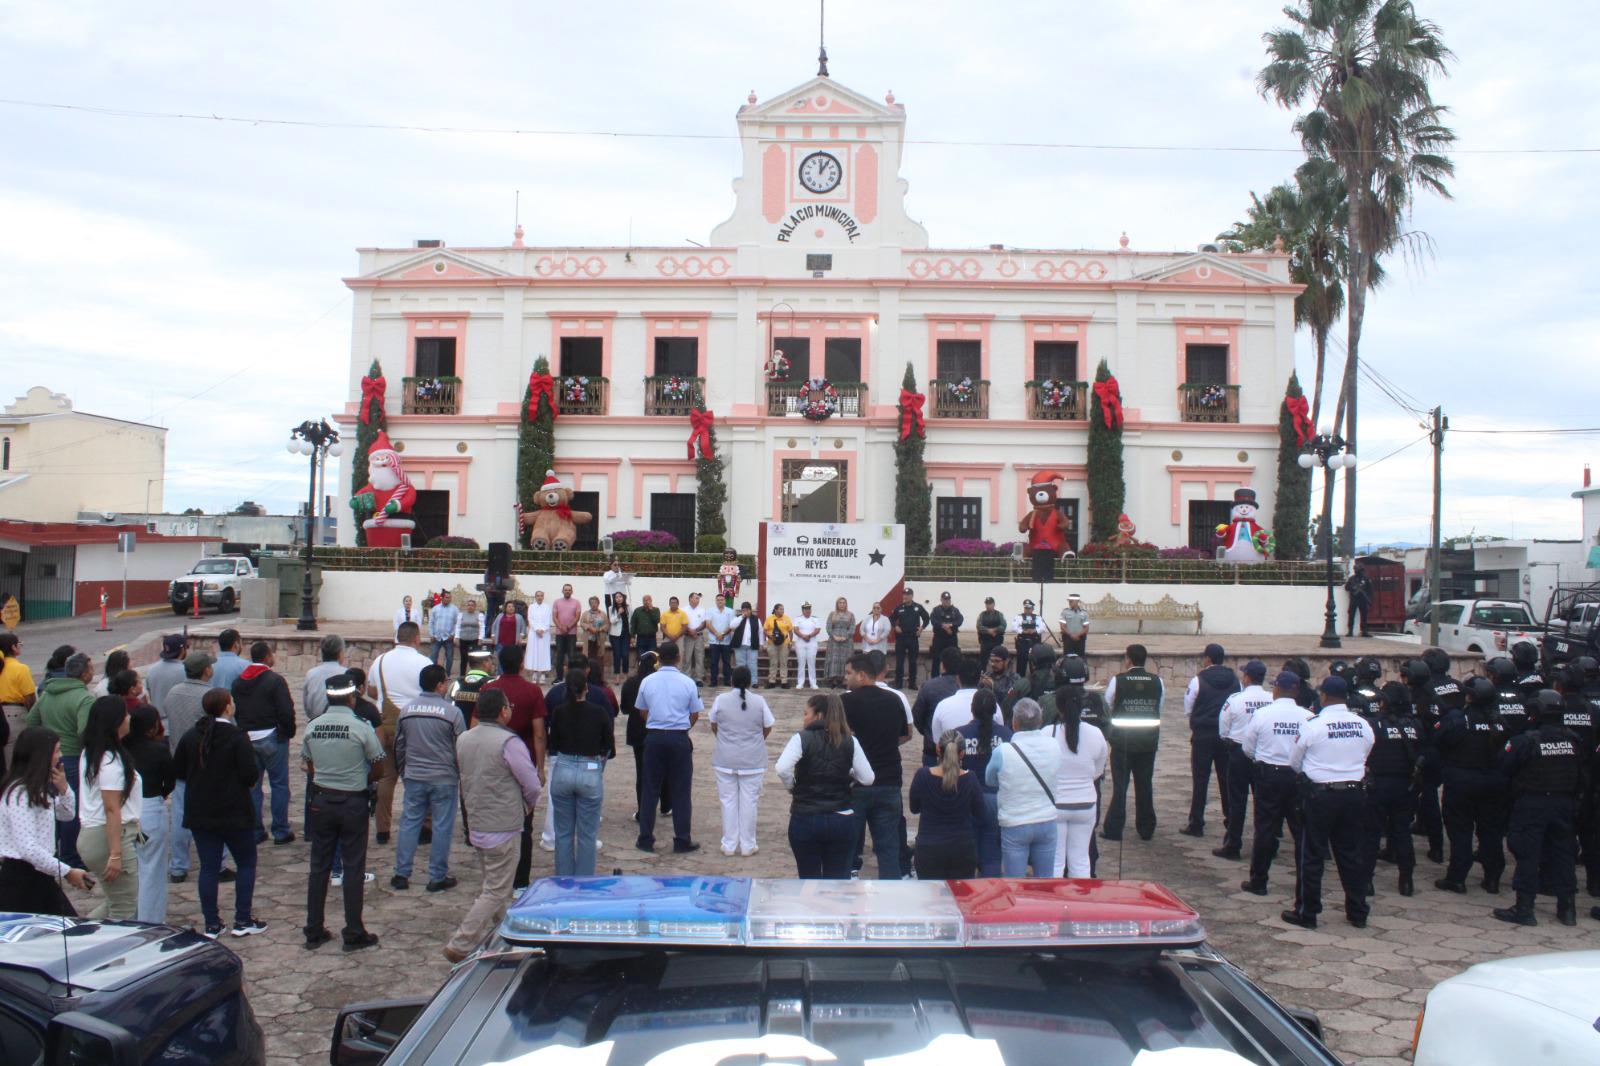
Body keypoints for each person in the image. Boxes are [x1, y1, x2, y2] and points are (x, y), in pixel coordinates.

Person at [445, 689, 543, 963]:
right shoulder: (508, 742)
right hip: (503, 823)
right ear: (503, 711)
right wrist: (526, 807)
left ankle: (507, 936)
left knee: (495, 883)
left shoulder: (465, 738)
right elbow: (532, 784)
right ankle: (461, 942)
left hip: (477, 819)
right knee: (496, 890)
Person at [1281, 677, 1375, 929]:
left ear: (1323, 696)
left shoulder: (1314, 724)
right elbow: (1366, 752)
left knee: (1312, 855)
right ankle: (1358, 911)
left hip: (1321, 795)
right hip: (1353, 793)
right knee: (1351, 855)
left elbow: (1295, 761)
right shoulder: (1362, 724)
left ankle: (1308, 912)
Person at [300, 673, 383, 951]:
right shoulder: (361, 727)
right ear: (351, 697)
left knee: (319, 866)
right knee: (353, 866)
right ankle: (353, 931)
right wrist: (357, 778)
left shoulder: (313, 726)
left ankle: (313, 929)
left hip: (321, 799)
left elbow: (309, 764)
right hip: (353, 801)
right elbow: (378, 766)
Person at [1494, 690, 1581, 927]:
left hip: (1533, 803)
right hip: (1564, 803)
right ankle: (1568, 909)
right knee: (1564, 855)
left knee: (1528, 855)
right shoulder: (1573, 739)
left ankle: (1524, 908)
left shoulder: (1526, 741)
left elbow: (1504, 766)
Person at [776, 692, 874, 878]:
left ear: (819, 715)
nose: (804, 718)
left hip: (806, 816)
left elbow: (782, 768)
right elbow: (868, 778)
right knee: (837, 881)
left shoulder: (802, 738)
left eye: (806, 713)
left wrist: (793, 787)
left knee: (808, 878)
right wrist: (849, 774)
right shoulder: (849, 740)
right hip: (841, 817)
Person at [0, 727, 91, 915]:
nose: (60, 756)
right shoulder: (20, 794)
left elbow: (66, 814)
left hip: (40, 874)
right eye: (57, 751)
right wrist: (66, 871)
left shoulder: (38, 789)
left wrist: (64, 789)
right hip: (22, 879)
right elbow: (28, 848)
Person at [1239, 671, 1314, 896]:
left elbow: (1247, 747)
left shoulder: (1262, 714)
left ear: (1277, 690)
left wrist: (1262, 759)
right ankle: (1304, 884)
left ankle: (1259, 880)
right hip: (1296, 777)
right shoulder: (1308, 716)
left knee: (1265, 828)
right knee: (1300, 831)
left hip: (1269, 775)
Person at [391, 664, 464, 893]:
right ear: (440, 685)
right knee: (442, 826)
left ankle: (401, 873)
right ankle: (437, 876)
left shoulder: (407, 711)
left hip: (415, 775)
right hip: (444, 777)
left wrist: (404, 772)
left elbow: (399, 746)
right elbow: (461, 748)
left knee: (409, 823)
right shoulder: (452, 713)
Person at [480, 645, 547, 889]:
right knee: (524, 824)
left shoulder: (488, 689)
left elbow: (476, 725)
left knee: (492, 817)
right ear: (521, 664)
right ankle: (520, 882)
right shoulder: (532, 690)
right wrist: (540, 767)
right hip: (523, 761)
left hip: (492, 761)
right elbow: (539, 733)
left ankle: (494, 877)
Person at [1434, 676, 1508, 894]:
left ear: (1470, 697)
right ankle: (1493, 878)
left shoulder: (1458, 719)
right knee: (1491, 831)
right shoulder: (1499, 722)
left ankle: (1457, 878)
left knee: (1460, 831)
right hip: (1492, 783)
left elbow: (1439, 741)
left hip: (1461, 782)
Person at [841, 652, 912, 879]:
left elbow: (836, 739)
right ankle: (891, 893)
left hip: (856, 783)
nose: (846, 678)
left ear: (862, 675)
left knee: (847, 847)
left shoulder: (846, 702)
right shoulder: (894, 700)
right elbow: (904, 735)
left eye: (849, 673)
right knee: (889, 848)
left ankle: (846, 891)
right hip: (889, 779)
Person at [24, 650, 95, 867]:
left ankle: (51, 852)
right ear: (84, 674)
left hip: (49, 758)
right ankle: (71, 857)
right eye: (91, 668)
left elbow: (31, 721)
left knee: (51, 806)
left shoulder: (48, 693)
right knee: (70, 807)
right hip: (72, 757)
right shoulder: (84, 698)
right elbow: (84, 731)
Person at [76, 696, 143, 920]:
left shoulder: (91, 752)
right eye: (125, 715)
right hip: (109, 836)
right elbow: (111, 808)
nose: (129, 718)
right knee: (124, 908)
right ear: (115, 722)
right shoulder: (110, 761)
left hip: (95, 834)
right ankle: (85, 937)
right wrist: (116, 854)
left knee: (116, 901)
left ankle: (80, 932)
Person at [632, 642, 701, 853]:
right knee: (681, 790)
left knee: (650, 789)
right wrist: (681, 727)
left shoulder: (647, 681)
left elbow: (642, 710)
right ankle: (682, 839)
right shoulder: (688, 683)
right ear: (678, 658)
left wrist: (657, 722)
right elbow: (695, 713)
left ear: (659, 659)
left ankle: (645, 838)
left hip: (654, 736)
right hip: (678, 737)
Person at [547, 666, 615, 876]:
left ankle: (564, 879)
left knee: (563, 833)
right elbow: (609, 746)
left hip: (564, 767)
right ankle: (584, 882)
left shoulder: (559, 712)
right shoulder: (598, 712)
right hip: (589, 767)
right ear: (586, 688)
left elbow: (553, 743)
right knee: (587, 835)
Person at [370, 622, 432, 844]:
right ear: (416, 638)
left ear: (397, 638)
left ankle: (383, 830)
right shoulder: (424, 662)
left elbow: (371, 690)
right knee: (418, 778)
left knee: (386, 778)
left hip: (385, 725)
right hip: (416, 726)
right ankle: (423, 827)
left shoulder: (380, 660)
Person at [985, 699, 1060, 877]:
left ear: (1015, 723)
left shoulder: (1003, 751)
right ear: (1040, 721)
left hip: (1015, 822)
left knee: (1014, 883)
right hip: (1046, 819)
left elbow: (989, 780)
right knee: (1045, 881)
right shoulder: (1054, 745)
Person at [163, 652, 220, 885]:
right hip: (206, 763)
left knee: (179, 815)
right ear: (206, 670)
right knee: (214, 814)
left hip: (180, 759)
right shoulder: (210, 696)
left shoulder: (173, 692)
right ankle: (218, 863)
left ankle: (178, 865)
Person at [232, 642, 296, 846]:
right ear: (267, 656)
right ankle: (280, 830)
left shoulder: (239, 682)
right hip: (271, 736)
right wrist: (287, 732)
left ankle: (255, 830)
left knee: (253, 786)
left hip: (248, 737)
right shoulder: (275, 680)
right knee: (279, 784)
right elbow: (286, 710)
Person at [1101, 644, 1164, 842]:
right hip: (1147, 741)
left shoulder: (1118, 680)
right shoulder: (1157, 681)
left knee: (1120, 786)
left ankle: (1114, 828)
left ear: (1128, 659)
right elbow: (1159, 707)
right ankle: (1146, 828)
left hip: (1122, 741)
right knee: (1144, 784)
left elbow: (1108, 705)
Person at [1363, 681, 1421, 897]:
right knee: (1402, 832)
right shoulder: (1414, 726)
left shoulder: (1375, 725)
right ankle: (1406, 880)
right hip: (1405, 786)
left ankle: (1366, 881)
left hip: (1379, 785)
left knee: (1371, 834)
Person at [708, 665, 773, 856]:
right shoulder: (759, 701)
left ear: (731, 681)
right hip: (752, 759)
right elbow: (768, 725)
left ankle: (729, 844)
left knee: (727, 801)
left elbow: (713, 723)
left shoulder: (721, 699)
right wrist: (756, 740)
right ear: (750, 682)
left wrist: (724, 739)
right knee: (749, 802)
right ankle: (748, 844)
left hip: (725, 758)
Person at [1180, 644, 1241, 838]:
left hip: (1203, 735)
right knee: (1226, 779)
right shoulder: (1235, 680)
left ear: (1207, 658)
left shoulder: (1198, 680)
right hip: (1226, 737)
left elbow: (1188, 707)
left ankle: (1196, 822)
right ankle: (1230, 821)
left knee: (1200, 779)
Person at [1048, 686, 1109, 877]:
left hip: (1056, 805)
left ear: (1058, 708)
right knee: (1081, 860)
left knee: (1055, 861)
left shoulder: (1047, 733)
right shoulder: (1096, 733)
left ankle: (1054, 896)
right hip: (1086, 803)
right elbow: (1098, 770)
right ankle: (1081, 895)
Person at [1214, 659, 1271, 861]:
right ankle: (1266, 846)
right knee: (1263, 804)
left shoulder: (1235, 699)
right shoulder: (1271, 699)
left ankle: (1233, 843)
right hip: (1263, 755)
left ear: (1247, 677)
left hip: (1239, 752)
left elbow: (1223, 728)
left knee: (1236, 801)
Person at [909, 730, 985, 879]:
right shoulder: (970, 779)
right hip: (962, 849)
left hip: (929, 849)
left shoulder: (923, 775)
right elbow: (981, 812)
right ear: (962, 754)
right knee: (960, 894)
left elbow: (914, 808)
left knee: (930, 893)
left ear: (938, 749)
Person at [127, 704, 175, 923]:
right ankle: (151, 921)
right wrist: (160, 795)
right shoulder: (158, 749)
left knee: (135, 865)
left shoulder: (122, 749)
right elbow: (170, 781)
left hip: (127, 811)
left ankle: (134, 915)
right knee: (153, 868)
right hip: (150, 810)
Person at [957, 688, 1012, 876]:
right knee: (992, 856)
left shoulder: (960, 734)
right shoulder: (1006, 735)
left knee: (965, 856)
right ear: (995, 710)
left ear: (972, 709)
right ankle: (991, 891)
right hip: (997, 800)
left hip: (967, 801)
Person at [621, 652, 663, 825]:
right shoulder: (659, 683)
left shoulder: (631, 683)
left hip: (637, 730)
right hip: (657, 729)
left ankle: (643, 809)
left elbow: (624, 708)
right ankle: (664, 804)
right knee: (661, 769)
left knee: (642, 771)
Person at [912, 647, 965, 764]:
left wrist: (928, 732)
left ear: (942, 666)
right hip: (962, 749)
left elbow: (917, 716)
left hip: (933, 748)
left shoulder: (929, 686)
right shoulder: (967, 688)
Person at [931, 656, 1002, 740]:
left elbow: (938, 740)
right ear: (980, 679)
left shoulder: (942, 706)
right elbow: (999, 733)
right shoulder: (993, 705)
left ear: (958, 679)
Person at [0, 632, 38, 772]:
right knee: (12, 759)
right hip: (14, 714)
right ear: (13, 647)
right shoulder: (20, 668)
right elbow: (29, 697)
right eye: (19, 644)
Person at [303, 635, 348, 724]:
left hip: (315, 723)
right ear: (340, 653)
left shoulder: (311, 674)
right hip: (342, 724)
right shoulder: (346, 674)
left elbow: (307, 705)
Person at [890, 588, 929, 690]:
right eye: (904, 594)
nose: (905, 596)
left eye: (907, 595)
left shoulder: (918, 607)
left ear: (912, 596)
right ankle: (898, 683)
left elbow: (926, 618)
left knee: (913, 662)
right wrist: (895, 626)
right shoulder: (899, 608)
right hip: (901, 638)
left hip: (913, 638)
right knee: (899, 662)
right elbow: (891, 619)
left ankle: (912, 683)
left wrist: (922, 628)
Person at [145, 634, 188, 716]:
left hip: (156, 718)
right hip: (176, 719)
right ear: (182, 650)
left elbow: (149, 694)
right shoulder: (185, 671)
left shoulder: (151, 670)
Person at [927, 592, 963, 678]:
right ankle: (935, 679)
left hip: (951, 639)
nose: (946, 601)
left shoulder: (955, 610)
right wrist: (943, 626)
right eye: (945, 599)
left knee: (952, 660)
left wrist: (951, 625)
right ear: (941, 600)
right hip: (939, 639)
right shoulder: (936, 610)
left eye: (948, 599)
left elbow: (960, 620)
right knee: (936, 660)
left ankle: (952, 679)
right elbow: (933, 621)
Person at [705, 593, 737, 688]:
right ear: (716, 601)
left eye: (722, 600)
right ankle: (713, 681)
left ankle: (727, 681)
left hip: (726, 640)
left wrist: (722, 634)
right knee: (713, 662)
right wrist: (717, 634)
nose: (720, 601)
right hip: (714, 640)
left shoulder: (730, 611)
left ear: (725, 601)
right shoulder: (710, 611)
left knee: (726, 662)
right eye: (718, 600)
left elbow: (731, 625)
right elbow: (708, 624)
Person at [824, 598, 856, 688]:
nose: (842, 604)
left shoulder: (850, 615)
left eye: (844, 603)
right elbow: (828, 627)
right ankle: (834, 680)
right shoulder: (832, 614)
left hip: (847, 641)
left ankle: (844, 680)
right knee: (834, 659)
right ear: (837, 604)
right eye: (840, 603)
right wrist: (834, 636)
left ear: (846, 604)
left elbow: (852, 627)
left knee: (846, 659)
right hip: (834, 641)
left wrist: (846, 636)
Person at [551, 583, 582, 678]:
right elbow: (554, 617)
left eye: (569, 590)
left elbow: (577, 617)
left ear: (572, 591)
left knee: (571, 656)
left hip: (571, 634)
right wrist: (561, 627)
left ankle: (572, 677)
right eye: (566, 590)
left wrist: (568, 627)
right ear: (562, 591)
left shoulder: (576, 602)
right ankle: (559, 678)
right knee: (559, 656)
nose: (567, 591)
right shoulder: (556, 602)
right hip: (559, 634)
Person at [427, 590, 460, 675]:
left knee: (449, 657)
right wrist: (431, 635)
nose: (448, 599)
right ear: (442, 598)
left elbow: (457, 623)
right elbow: (431, 622)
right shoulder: (435, 608)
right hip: (436, 637)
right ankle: (434, 674)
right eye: (447, 597)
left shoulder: (454, 609)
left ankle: (447, 674)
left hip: (448, 638)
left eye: (450, 597)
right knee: (433, 657)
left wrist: (453, 634)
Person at [791, 602, 822, 690]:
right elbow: (795, 630)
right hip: (800, 643)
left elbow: (817, 629)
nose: (808, 610)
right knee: (801, 663)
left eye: (809, 609)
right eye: (806, 609)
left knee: (811, 663)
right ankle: (800, 683)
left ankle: (813, 683)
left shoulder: (815, 619)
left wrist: (809, 636)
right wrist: (803, 636)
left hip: (812, 643)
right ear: (802, 610)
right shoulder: (798, 619)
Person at [454, 598, 487, 678]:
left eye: (472, 605)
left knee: (474, 659)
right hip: (463, 640)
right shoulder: (461, 615)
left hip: (474, 640)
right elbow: (458, 626)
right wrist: (456, 637)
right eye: (468, 605)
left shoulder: (479, 615)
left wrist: (480, 638)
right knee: (463, 659)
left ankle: (474, 675)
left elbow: (482, 627)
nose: (470, 607)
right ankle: (462, 676)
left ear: (475, 606)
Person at [763, 603, 793, 688]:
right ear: (775, 610)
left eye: (783, 609)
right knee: (773, 663)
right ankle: (772, 681)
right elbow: (764, 630)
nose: (782, 611)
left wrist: (790, 642)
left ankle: (784, 681)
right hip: (772, 643)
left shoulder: (787, 618)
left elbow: (790, 631)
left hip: (784, 643)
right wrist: (769, 636)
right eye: (780, 609)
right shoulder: (769, 619)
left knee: (783, 663)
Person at [524, 592, 552, 681]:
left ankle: (543, 673)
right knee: (534, 652)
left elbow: (548, 620)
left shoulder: (547, 607)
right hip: (534, 633)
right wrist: (536, 629)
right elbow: (530, 619)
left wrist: (543, 629)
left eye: (541, 596)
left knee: (543, 652)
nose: (539, 597)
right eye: (538, 596)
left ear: (543, 597)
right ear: (535, 597)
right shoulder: (531, 607)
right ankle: (535, 672)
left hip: (544, 633)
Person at [681, 592, 708, 682]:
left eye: (698, 598)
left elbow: (704, 624)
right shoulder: (683, 610)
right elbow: (682, 624)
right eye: (696, 598)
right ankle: (686, 677)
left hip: (698, 637)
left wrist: (695, 631)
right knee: (687, 658)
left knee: (699, 658)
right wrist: (690, 631)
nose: (698, 600)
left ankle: (699, 678)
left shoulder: (702, 610)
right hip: (687, 637)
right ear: (690, 599)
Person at [1011, 599, 1044, 674]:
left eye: (1029, 608)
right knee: (1021, 663)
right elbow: (1014, 627)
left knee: (1035, 662)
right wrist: (1023, 631)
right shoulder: (1019, 617)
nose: (1027, 610)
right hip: (1022, 642)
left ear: (1032, 609)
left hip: (1034, 642)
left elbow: (1042, 627)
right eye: (1026, 608)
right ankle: (1020, 678)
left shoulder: (1038, 617)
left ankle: (1035, 678)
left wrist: (1035, 630)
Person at [493, 601, 528, 670]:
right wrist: (493, 636)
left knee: (513, 661)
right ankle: (500, 675)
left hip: (513, 644)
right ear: (505, 608)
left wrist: (520, 637)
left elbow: (523, 628)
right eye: (509, 606)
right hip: (501, 643)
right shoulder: (500, 616)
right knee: (500, 661)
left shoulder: (519, 617)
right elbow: (494, 626)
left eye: (512, 606)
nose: (511, 608)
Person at [1344, 564, 1373, 638]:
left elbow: (1370, 590)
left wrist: (1369, 599)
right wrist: (1353, 588)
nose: (1359, 572)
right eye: (1358, 570)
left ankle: (1364, 631)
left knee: (1364, 616)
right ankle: (1350, 631)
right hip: (1354, 599)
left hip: (1363, 600)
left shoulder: (1366, 579)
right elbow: (1346, 587)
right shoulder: (1352, 579)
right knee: (1351, 615)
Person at [607, 592, 632, 679]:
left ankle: (625, 675)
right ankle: (617, 676)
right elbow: (612, 621)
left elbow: (631, 621)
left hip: (626, 634)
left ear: (623, 598)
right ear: (614, 599)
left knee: (625, 655)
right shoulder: (611, 608)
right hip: (615, 635)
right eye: (616, 597)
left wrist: (632, 636)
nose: (618, 598)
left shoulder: (628, 607)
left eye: (620, 597)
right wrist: (618, 614)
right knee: (617, 655)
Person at [1058, 592, 1090, 658]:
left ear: (1077, 602)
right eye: (1069, 601)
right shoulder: (1065, 612)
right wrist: (1071, 635)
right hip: (1068, 638)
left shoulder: (1084, 613)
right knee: (1067, 657)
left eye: (1071, 601)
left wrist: (1077, 635)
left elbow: (1086, 628)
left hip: (1080, 638)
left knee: (1080, 657)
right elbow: (1062, 626)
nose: (1069, 603)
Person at [975, 597, 1006, 662]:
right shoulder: (982, 615)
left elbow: (1003, 626)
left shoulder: (999, 614)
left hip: (996, 641)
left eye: (990, 604)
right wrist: (988, 631)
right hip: (985, 642)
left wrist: (995, 630)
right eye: (987, 604)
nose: (988, 606)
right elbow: (979, 626)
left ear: (994, 604)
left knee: (997, 660)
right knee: (983, 661)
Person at [581, 596, 610, 667]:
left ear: (598, 603)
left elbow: (607, 625)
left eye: (595, 603)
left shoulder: (603, 614)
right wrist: (589, 627)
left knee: (599, 657)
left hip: (599, 639)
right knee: (588, 656)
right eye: (591, 603)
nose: (593, 604)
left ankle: (599, 673)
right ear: (589, 604)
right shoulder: (585, 613)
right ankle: (589, 672)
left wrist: (599, 629)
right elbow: (582, 623)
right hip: (589, 639)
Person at [631, 594, 661, 659]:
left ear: (651, 601)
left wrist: (651, 610)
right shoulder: (637, 610)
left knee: (652, 656)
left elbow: (657, 620)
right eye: (644, 600)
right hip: (641, 638)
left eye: (648, 600)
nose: (646, 602)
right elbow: (633, 624)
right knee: (641, 657)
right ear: (643, 601)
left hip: (652, 638)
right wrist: (632, 636)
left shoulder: (656, 610)